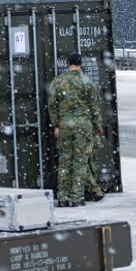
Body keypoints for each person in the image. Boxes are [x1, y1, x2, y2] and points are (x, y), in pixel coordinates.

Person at [47, 52, 103, 207]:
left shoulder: (58, 81)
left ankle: (63, 197)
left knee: (64, 162)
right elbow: (94, 107)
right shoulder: (86, 81)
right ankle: (77, 196)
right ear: (81, 64)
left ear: (67, 63)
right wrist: (97, 127)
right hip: (83, 127)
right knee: (80, 162)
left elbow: (52, 105)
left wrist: (56, 125)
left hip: (65, 126)